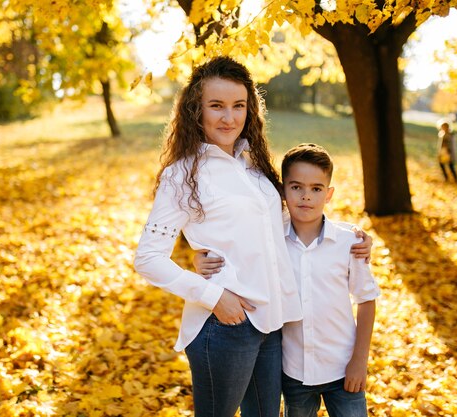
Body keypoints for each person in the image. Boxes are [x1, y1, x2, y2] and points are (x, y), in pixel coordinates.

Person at [134, 56, 372, 417]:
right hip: (224, 325)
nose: (229, 117)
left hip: (273, 322)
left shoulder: (253, 164)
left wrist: (348, 236)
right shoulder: (181, 175)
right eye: (217, 106)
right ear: (196, 110)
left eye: (238, 106)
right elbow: (148, 259)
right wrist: (214, 296)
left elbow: (277, 227)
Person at [195, 143, 380, 417]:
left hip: (343, 370)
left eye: (316, 189)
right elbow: (231, 248)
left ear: (328, 194)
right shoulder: (268, 239)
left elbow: (366, 300)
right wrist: (199, 258)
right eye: (296, 187)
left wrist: (359, 361)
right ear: (282, 191)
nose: (306, 196)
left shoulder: (349, 243)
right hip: (294, 373)